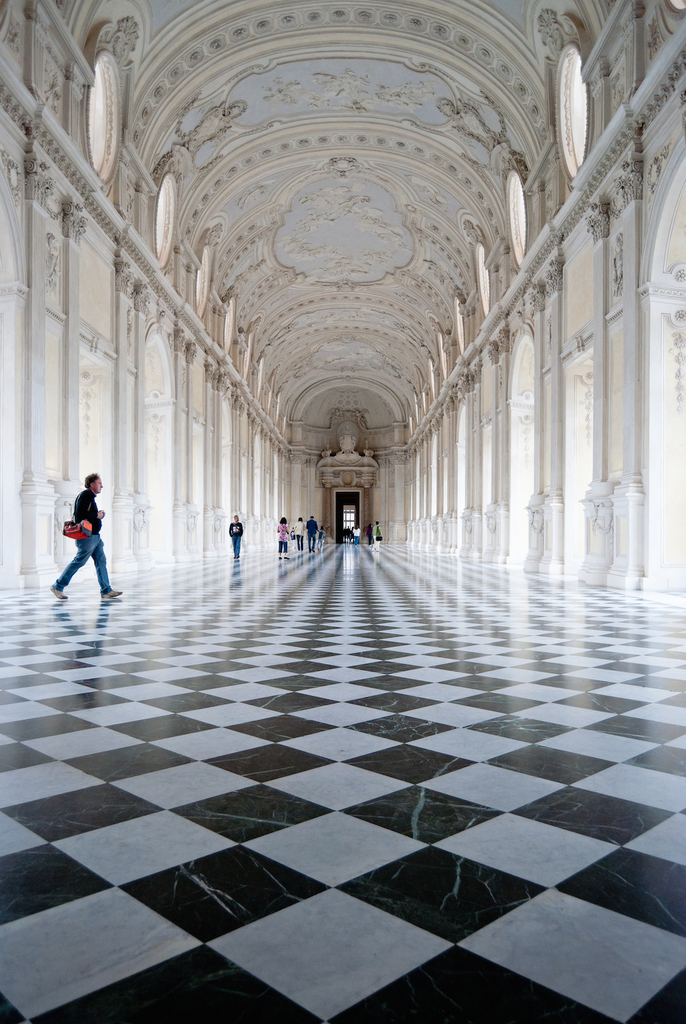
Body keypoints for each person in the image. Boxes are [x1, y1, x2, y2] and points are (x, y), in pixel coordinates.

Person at [51, 474, 122, 600]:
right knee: (79, 561)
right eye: (99, 483)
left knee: (101, 561)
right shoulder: (86, 495)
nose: (102, 486)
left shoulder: (89, 496)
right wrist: (97, 515)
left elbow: (84, 513)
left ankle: (106, 590)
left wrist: (97, 515)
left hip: (94, 537)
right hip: (88, 537)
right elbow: (80, 515)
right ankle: (58, 586)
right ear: (92, 484)